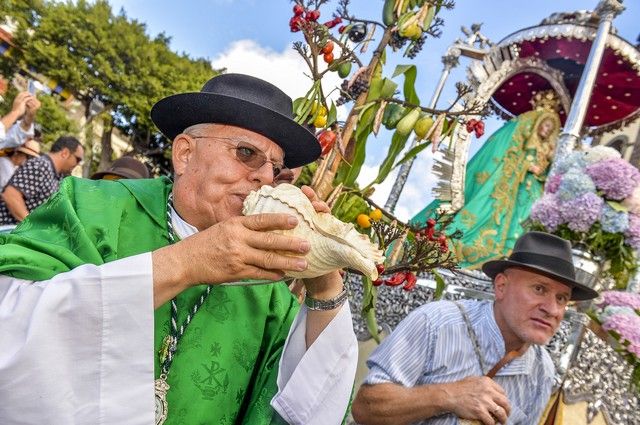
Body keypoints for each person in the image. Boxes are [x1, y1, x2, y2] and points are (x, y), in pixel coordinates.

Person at [0, 73, 357, 425]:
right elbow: (13, 322)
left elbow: (302, 408)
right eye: (247, 153)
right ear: (185, 154)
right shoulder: (91, 207)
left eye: (276, 169)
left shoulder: (268, 293)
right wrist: (186, 262)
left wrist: (323, 281)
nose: (265, 177)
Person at [352, 231, 598, 425]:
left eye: (562, 298)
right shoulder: (437, 322)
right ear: (501, 286)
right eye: (539, 289)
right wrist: (447, 396)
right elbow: (366, 407)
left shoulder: (542, 371)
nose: (552, 309)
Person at [411, 91, 562, 269]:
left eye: (550, 128)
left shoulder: (547, 149)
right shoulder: (522, 139)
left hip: (531, 191)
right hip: (515, 186)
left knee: (524, 220)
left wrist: (541, 172)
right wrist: (525, 166)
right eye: (544, 125)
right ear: (535, 124)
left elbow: (548, 173)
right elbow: (510, 156)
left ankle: (513, 250)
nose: (546, 130)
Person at [0, 135, 83, 225]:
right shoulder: (41, 165)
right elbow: (10, 196)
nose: (77, 164)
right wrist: (32, 227)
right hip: (7, 230)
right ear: (65, 153)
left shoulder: (56, 175)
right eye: (77, 159)